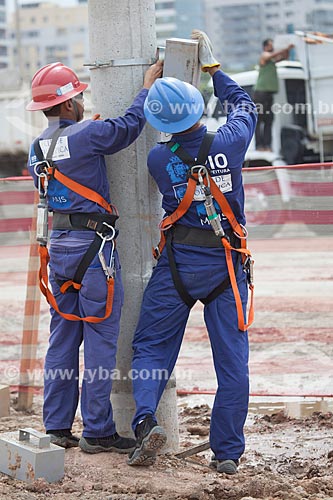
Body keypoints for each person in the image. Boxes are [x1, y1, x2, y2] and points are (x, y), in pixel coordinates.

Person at [127, 30, 257, 474]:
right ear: (197, 107)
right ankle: (227, 453)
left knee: (150, 347)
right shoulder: (231, 141)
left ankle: (144, 420)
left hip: (177, 265)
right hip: (225, 265)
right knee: (233, 362)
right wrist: (213, 69)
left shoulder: (158, 161)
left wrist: (147, 88)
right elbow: (245, 105)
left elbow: (171, 146)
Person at [26, 59, 163, 453]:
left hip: (60, 249)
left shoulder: (38, 148)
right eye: (79, 96)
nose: (83, 102)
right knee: (101, 340)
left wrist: (90, 132)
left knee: (63, 340)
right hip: (93, 250)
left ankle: (56, 426)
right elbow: (128, 128)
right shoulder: (88, 134)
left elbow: (71, 162)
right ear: (68, 104)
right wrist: (145, 86)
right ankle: (99, 430)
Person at [254, 38, 293, 151]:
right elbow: (270, 55)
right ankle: (259, 145)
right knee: (259, 120)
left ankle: (267, 145)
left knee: (268, 120)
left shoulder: (271, 61)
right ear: (266, 46)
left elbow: (284, 57)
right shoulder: (264, 55)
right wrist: (284, 48)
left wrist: (288, 49)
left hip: (268, 94)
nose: (273, 47)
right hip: (261, 93)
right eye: (271, 45)